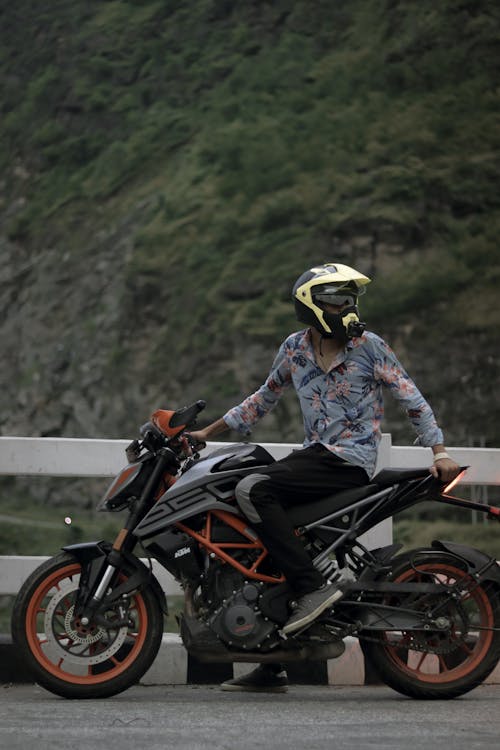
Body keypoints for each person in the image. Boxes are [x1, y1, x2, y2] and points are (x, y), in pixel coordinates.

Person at [189, 262, 460, 692]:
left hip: (349, 461)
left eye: (351, 299)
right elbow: (261, 400)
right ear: (311, 305)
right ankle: (272, 658)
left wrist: (439, 451)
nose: (348, 307)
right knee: (265, 531)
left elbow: (413, 399)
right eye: (337, 299)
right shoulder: (295, 348)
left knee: (253, 488)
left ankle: (313, 589)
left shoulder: (370, 347)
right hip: (315, 457)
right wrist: (205, 433)